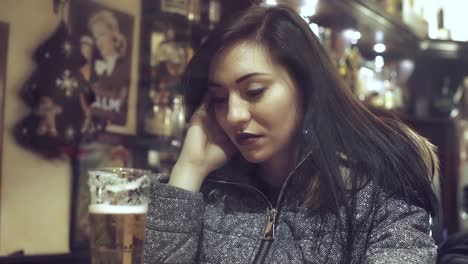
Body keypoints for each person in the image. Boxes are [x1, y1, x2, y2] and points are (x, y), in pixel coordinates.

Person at [143, 4, 439, 263]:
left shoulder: (380, 188)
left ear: (306, 88)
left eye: (254, 91)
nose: (233, 115)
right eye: (219, 99)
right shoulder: (215, 192)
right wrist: (189, 169)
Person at [88, 9, 130, 126]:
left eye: (101, 34)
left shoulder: (125, 66)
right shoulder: (93, 67)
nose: (98, 42)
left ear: (113, 32)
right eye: (96, 37)